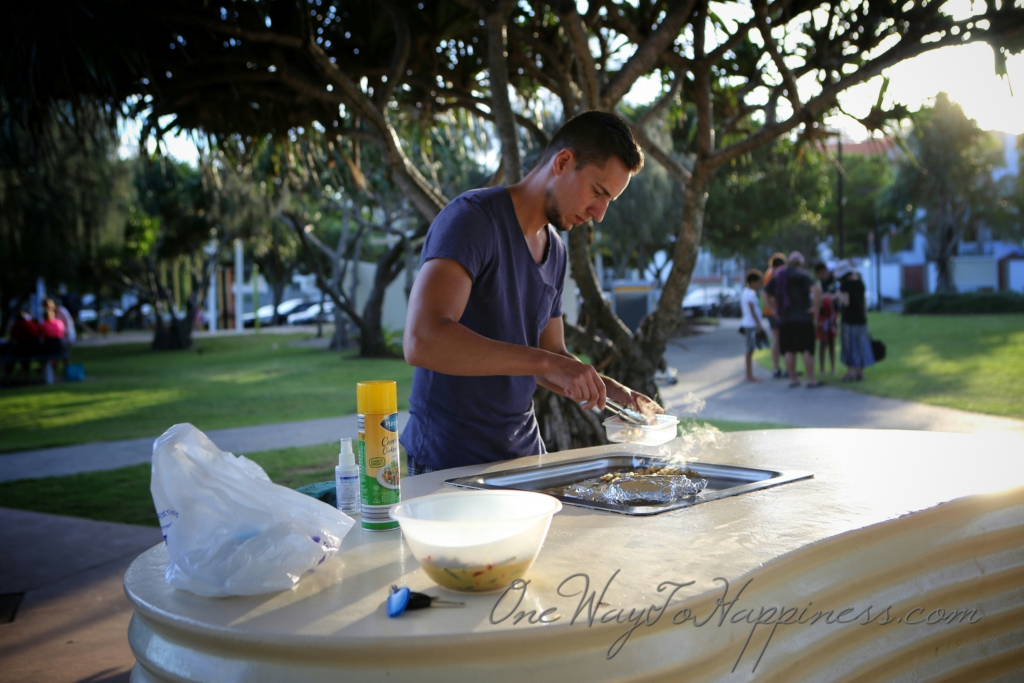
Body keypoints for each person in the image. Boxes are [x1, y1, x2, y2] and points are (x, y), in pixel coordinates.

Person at [402, 111, 660, 474]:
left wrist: (611, 391)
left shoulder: (557, 251)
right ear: (563, 162)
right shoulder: (472, 220)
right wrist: (550, 363)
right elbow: (422, 340)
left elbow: (551, 353)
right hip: (451, 463)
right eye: (597, 192)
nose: (599, 213)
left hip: (525, 457)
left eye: (609, 201)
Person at [764, 251, 822, 388]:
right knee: (808, 349)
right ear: (800, 264)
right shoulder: (803, 275)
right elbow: (816, 289)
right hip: (803, 318)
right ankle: (811, 379)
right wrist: (816, 307)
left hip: (785, 319)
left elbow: (765, 292)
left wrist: (772, 310)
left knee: (789, 350)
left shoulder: (779, 275)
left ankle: (793, 379)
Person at [835, 261, 875, 381]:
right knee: (861, 345)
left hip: (849, 320)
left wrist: (838, 296)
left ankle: (852, 372)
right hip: (861, 320)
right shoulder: (860, 283)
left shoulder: (845, 284)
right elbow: (864, 303)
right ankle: (860, 372)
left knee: (850, 346)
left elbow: (846, 302)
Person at [761, 253, 787, 378]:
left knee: (780, 339)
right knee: (777, 339)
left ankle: (782, 368)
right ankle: (777, 368)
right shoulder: (772, 275)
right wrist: (774, 310)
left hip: (773, 312)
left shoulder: (770, 274)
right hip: (774, 313)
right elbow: (770, 296)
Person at [740, 269, 766, 383]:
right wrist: (759, 325)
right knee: (749, 349)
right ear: (752, 282)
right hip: (750, 325)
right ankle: (749, 375)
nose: (759, 284)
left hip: (750, 324)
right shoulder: (748, 294)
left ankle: (750, 374)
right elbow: (752, 311)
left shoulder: (749, 293)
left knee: (750, 349)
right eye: (758, 282)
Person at [813, 263, 838, 376]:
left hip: (832, 317)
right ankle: (822, 368)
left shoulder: (833, 284)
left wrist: (829, 297)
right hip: (822, 317)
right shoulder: (817, 285)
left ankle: (833, 367)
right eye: (820, 273)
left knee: (832, 342)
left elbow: (837, 297)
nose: (822, 275)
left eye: (824, 272)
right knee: (822, 343)